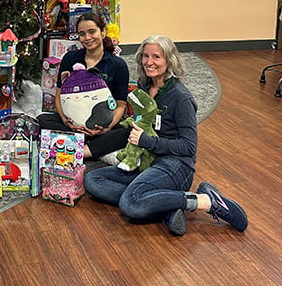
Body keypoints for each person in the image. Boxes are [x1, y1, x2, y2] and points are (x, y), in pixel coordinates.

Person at [83, 35, 248, 236]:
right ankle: (165, 206)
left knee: (130, 205)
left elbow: (189, 147)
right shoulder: (144, 88)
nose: (149, 62)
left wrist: (148, 141)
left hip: (175, 165)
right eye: (145, 56)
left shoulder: (181, 97)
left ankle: (204, 200)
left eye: (156, 57)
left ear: (169, 61)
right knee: (93, 180)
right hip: (145, 162)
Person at [37, 12, 130, 160]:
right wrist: (66, 120)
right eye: (82, 34)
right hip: (73, 125)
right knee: (42, 120)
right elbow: (59, 94)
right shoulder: (70, 58)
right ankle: (91, 148)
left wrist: (106, 128)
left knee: (126, 131)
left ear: (103, 32)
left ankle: (78, 150)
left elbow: (120, 105)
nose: (87, 38)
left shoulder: (118, 65)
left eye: (92, 31)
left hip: (101, 126)